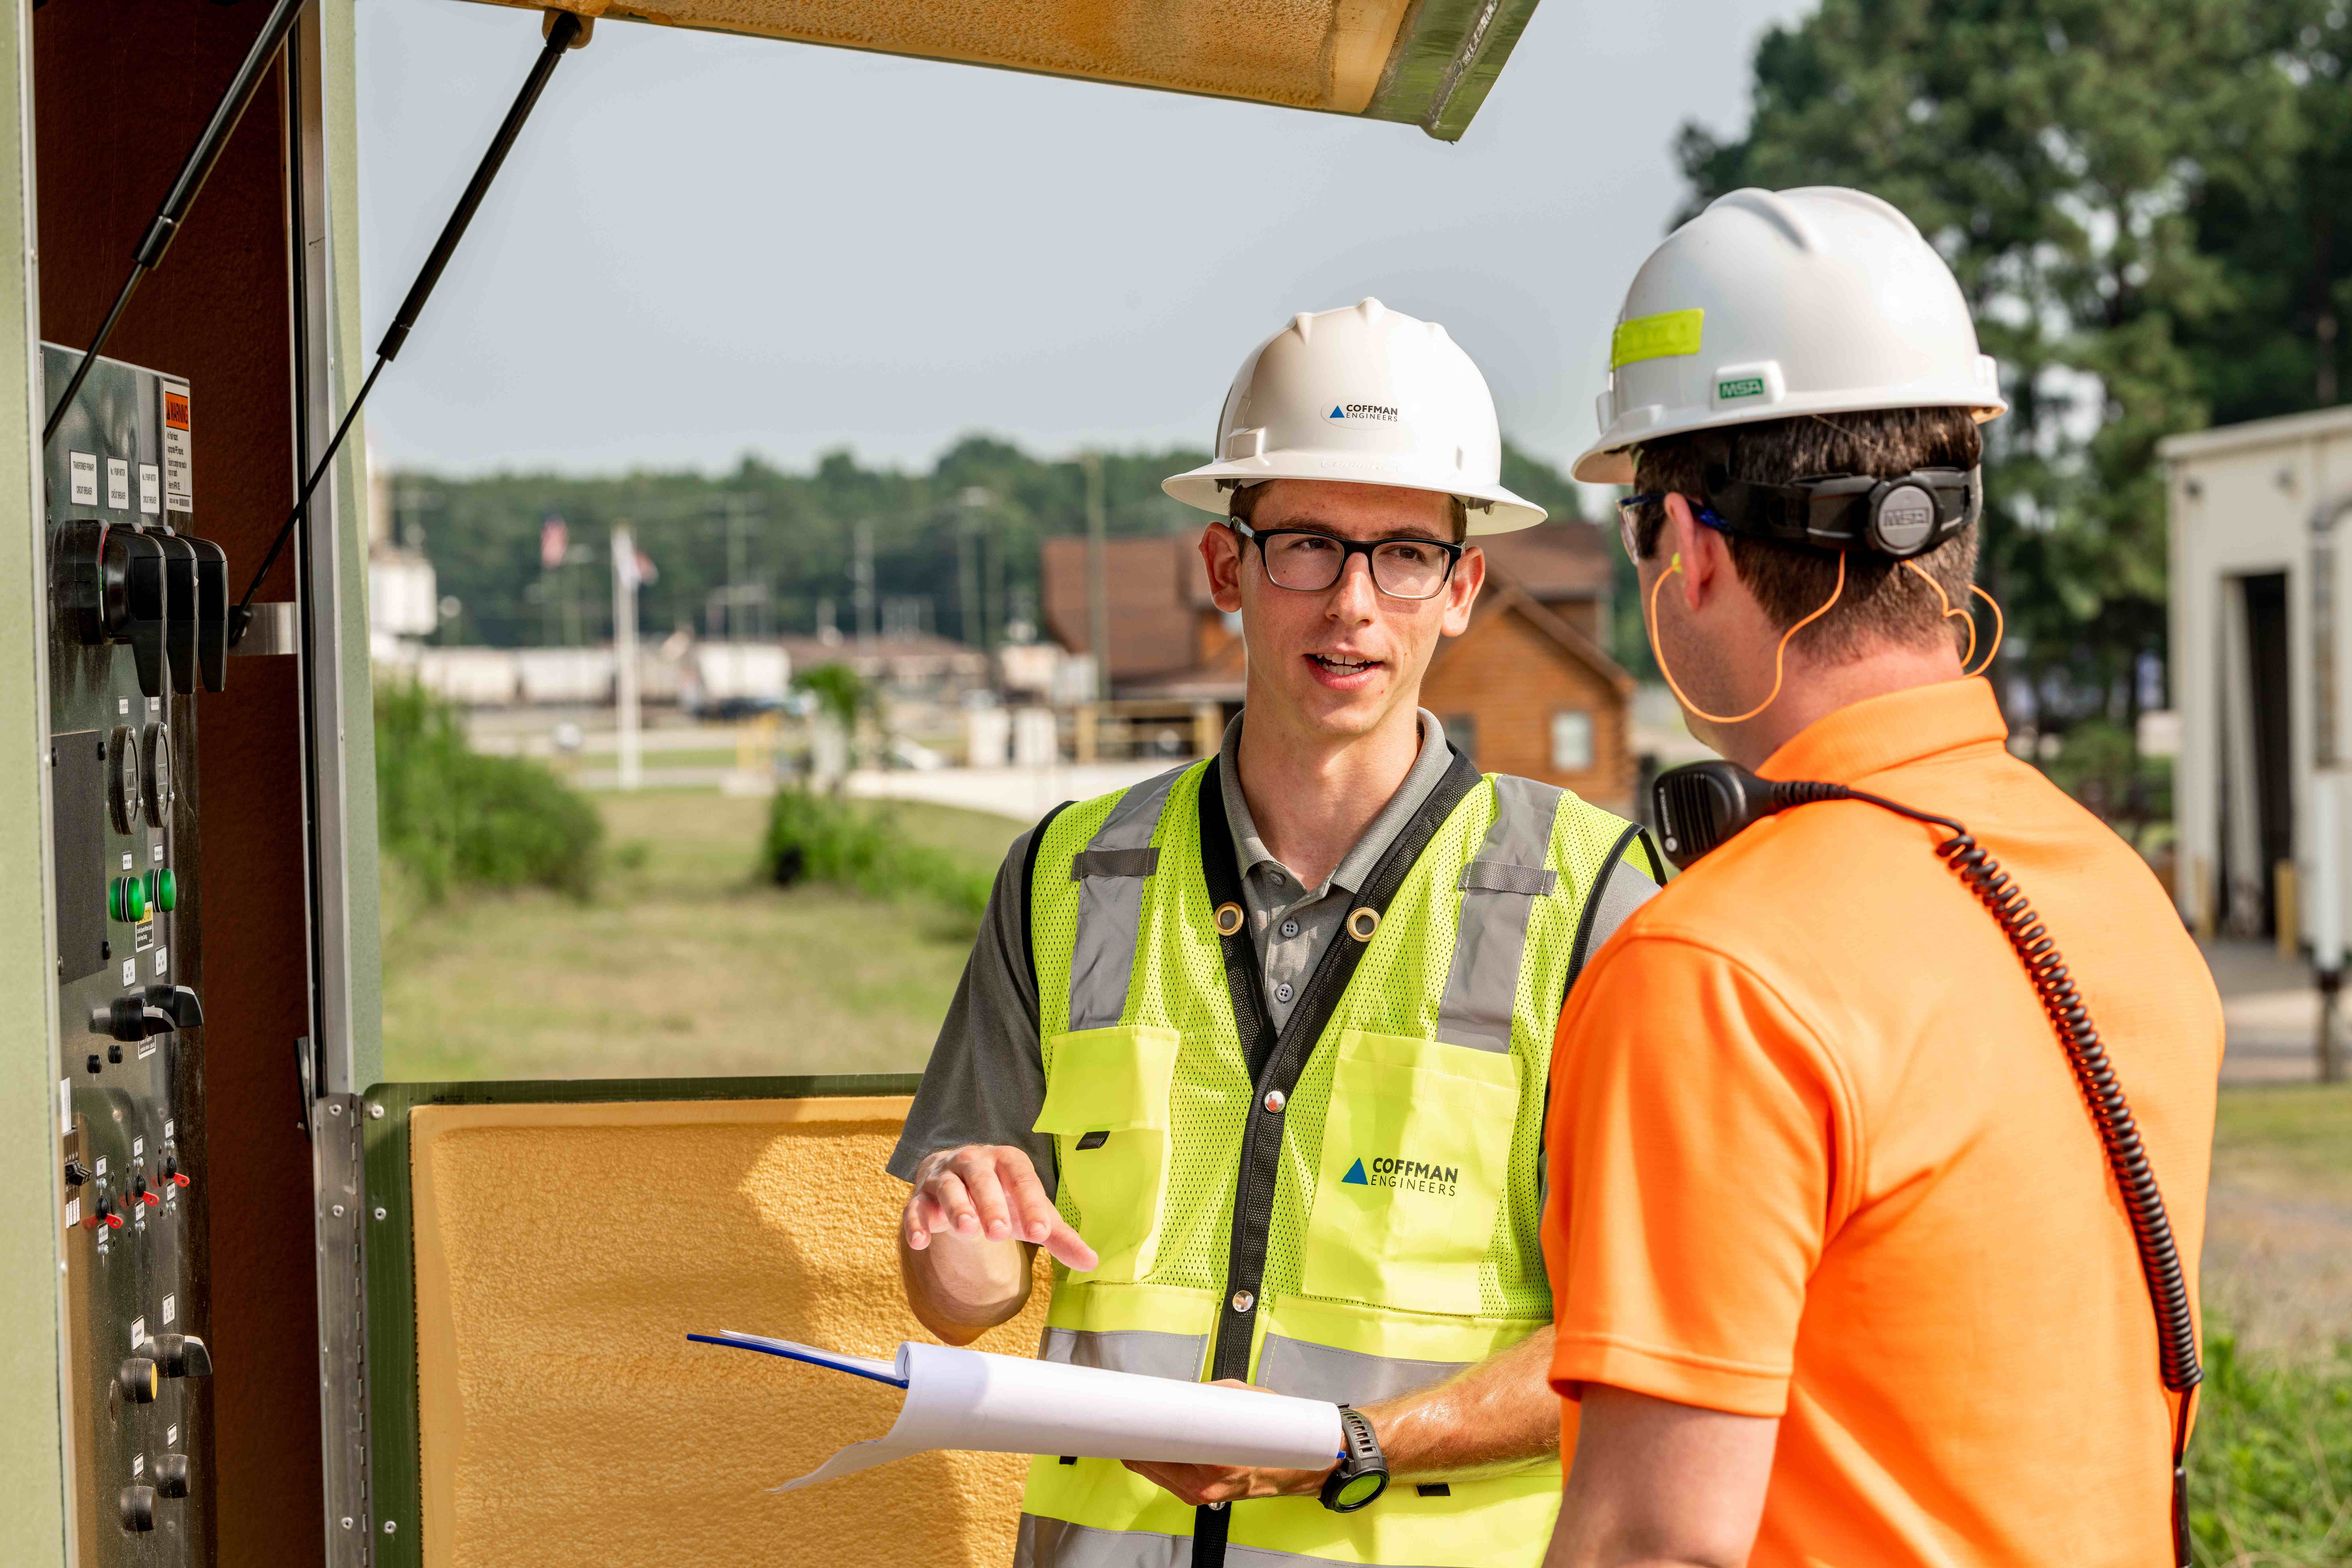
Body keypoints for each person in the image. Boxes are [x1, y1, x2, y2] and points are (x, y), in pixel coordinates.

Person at [889, 297, 1663, 1568]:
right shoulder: (1065, 877)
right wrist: (965, 1239)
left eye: (1405, 552)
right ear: (1223, 567)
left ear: (1463, 586)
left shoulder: (1589, 897)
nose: (1354, 602)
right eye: (1306, 543)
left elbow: (1635, 1338)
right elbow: (962, 1296)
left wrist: (1354, 1438)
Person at [1539, 186, 2223, 1568]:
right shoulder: (2117, 895)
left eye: (1638, 529)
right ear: (1947, 531)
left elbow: (1654, 1543)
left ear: (1696, 550)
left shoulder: (1715, 970)